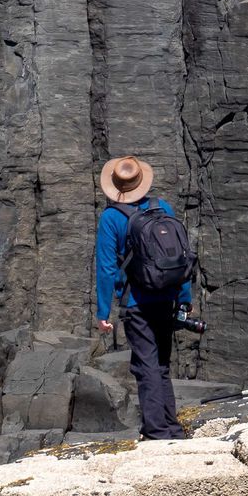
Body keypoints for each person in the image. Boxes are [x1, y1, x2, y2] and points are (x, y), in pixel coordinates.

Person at [94, 155, 194, 441]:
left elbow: (106, 268)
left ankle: (157, 431)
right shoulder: (162, 208)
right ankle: (172, 428)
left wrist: (103, 312)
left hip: (137, 302)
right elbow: (180, 258)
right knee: (161, 364)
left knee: (145, 365)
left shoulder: (111, 217)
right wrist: (184, 298)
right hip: (167, 297)